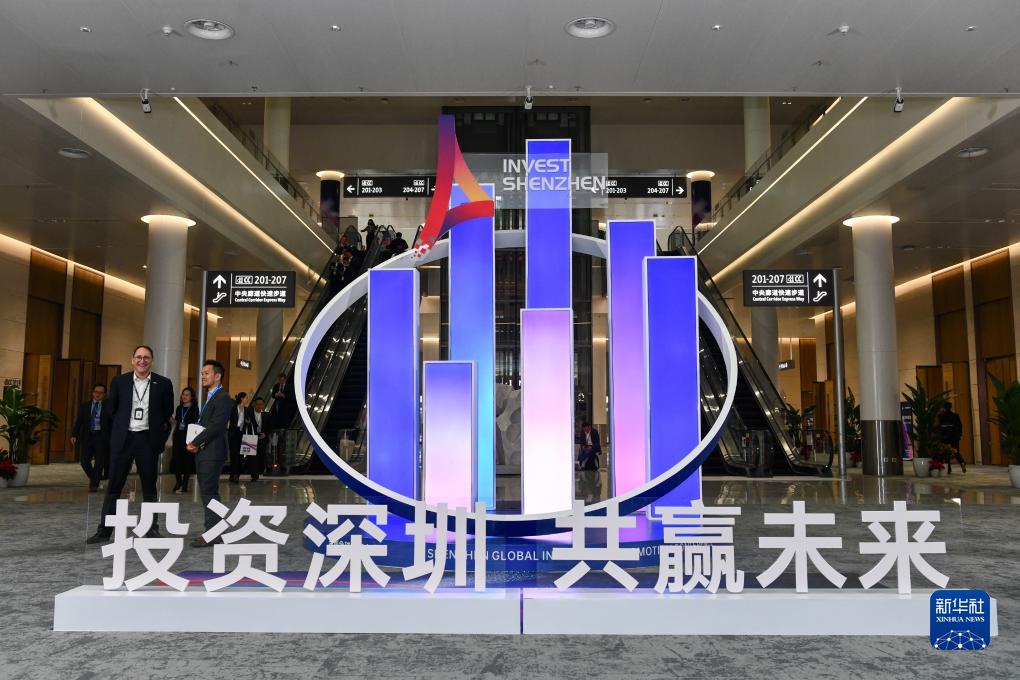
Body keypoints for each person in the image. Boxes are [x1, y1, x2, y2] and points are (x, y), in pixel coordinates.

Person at [87, 345, 174, 544]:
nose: (142, 361)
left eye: (146, 357)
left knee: (149, 486)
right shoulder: (120, 381)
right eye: (139, 357)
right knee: (114, 486)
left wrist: (159, 437)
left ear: (152, 361)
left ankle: (151, 528)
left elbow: (167, 412)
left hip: (147, 440)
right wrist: (116, 434)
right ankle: (104, 531)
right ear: (132, 360)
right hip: (124, 439)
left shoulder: (163, 383)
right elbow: (111, 411)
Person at [187, 360, 233, 546]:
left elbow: (217, 426)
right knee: (208, 492)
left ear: (217, 376)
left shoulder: (222, 397)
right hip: (205, 451)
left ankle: (213, 533)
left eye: (207, 373)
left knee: (209, 493)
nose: (203, 376)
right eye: (202, 373)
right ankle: (216, 531)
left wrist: (195, 442)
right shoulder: (211, 396)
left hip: (212, 452)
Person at [70, 383, 111, 492]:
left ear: (104, 394)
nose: (98, 394)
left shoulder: (108, 406)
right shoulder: (85, 406)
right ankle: (95, 478)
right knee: (84, 461)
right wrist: (74, 434)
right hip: (87, 436)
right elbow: (79, 421)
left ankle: (94, 485)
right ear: (93, 393)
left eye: (101, 393)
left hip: (101, 437)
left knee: (99, 462)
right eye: (96, 392)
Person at [170, 387, 199, 493]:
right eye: (183, 394)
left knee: (187, 461)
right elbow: (177, 422)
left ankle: (185, 483)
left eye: (187, 395)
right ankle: (178, 481)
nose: (184, 396)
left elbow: (195, 423)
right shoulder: (179, 408)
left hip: (188, 437)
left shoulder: (195, 408)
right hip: (178, 436)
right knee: (176, 460)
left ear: (191, 397)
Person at [227, 392, 251, 484]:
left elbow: (249, 422)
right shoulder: (233, 408)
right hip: (233, 434)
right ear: (241, 398)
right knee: (234, 455)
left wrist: (248, 422)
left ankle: (237, 475)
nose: (247, 399)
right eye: (246, 397)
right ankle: (232, 474)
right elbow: (228, 419)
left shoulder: (247, 410)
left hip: (242, 434)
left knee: (241, 455)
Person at [937, 402, 966, 474]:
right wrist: (960, 435)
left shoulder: (941, 415)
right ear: (951, 407)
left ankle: (948, 468)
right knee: (956, 451)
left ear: (944, 407)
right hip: (954, 436)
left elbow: (939, 426)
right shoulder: (955, 415)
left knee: (945, 452)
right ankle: (961, 462)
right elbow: (960, 425)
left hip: (944, 436)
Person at [248, 396, 270, 482]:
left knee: (261, 456)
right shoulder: (249, 414)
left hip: (262, 438)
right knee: (252, 458)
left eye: (261, 404)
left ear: (263, 405)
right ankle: (254, 475)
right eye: (257, 404)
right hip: (251, 438)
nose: (259, 406)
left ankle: (259, 471)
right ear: (254, 404)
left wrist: (265, 434)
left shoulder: (266, 415)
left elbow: (270, 427)